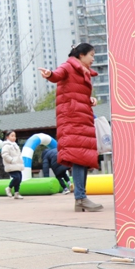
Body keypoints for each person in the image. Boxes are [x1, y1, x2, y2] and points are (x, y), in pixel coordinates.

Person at [38, 43, 103, 212]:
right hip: (73, 119)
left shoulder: (83, 72)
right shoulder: (68, 66)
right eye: (91, 55)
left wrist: (90, 100)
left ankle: (81, 198)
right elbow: (57, 75)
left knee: (83, 159)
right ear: (81, 55)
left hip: (81, 118)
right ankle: (80, 198)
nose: (93, 59)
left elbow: (76, 93)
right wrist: (49, 74)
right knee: (79, 159)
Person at [1, 130, 24, 199]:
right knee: (16, 177)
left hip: (17, 165)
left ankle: (16, 193)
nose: (14, 137)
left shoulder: (15, 145)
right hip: (11, 165)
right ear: (7, 137)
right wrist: (11, 160)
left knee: (19, 178)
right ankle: (9, 188)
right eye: (12, 136)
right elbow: (5, 155)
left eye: (15, 136)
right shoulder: (6, 146)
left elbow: (19, 155)